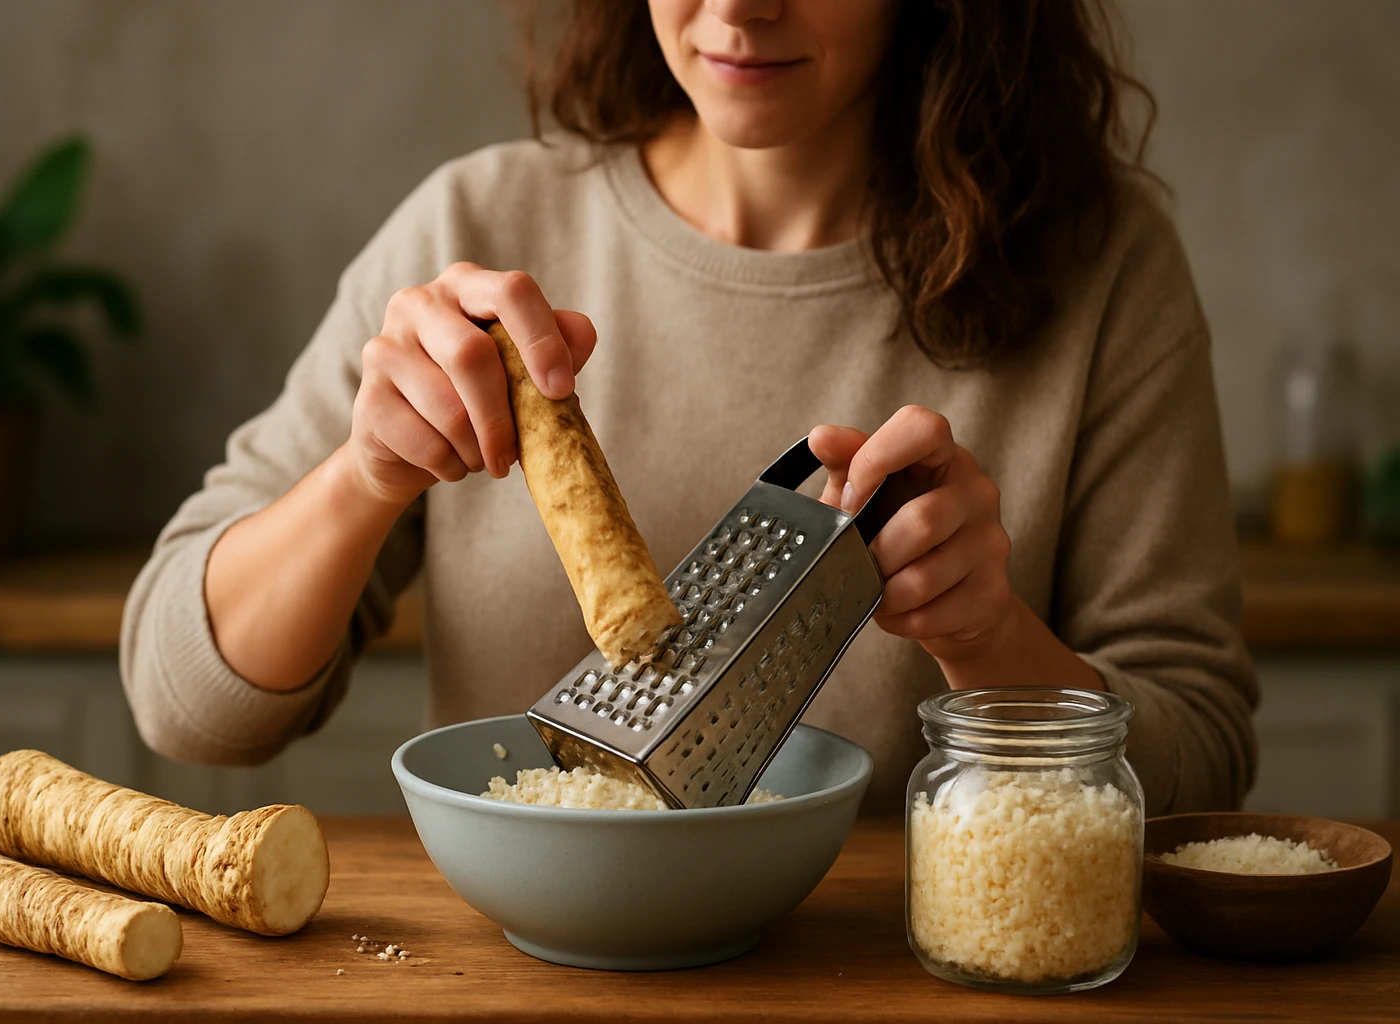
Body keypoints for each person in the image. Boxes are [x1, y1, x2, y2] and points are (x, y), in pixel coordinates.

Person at [121, 0, 1258, 814]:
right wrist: (362, 478)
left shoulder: (1104, 269)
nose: (739, 6)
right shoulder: (473, 229)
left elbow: (1200, 760)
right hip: (522, 982)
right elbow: (186, 705)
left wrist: (989, 639)